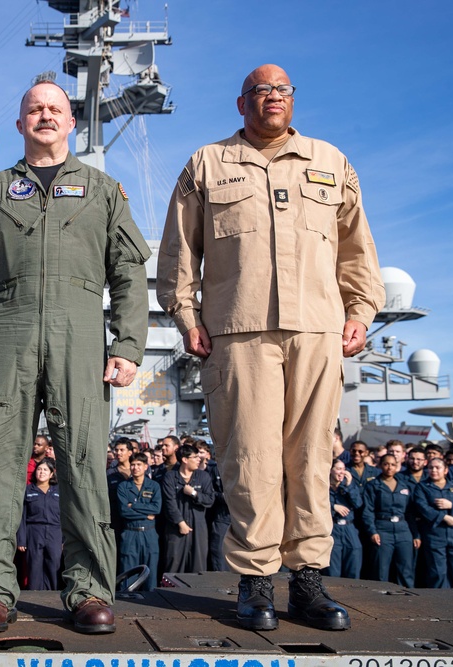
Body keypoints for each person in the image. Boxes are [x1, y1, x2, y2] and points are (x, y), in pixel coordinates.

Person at [156, 64, 384, 631]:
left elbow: (357, 250)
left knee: (312, 457)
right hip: (239, 332)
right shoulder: (206, 163)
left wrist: (360, 312)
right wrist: (186, 317)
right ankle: (255, 582)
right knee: (250, 458)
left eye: (282, 90)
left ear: (293, 99)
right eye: (261, 90)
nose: (273, 97)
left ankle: (307, 582)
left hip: (317, 329)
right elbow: (179, 251)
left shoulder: (332, 162)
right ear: (242, 103)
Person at [0, 80, 150, 634]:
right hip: (7, 332)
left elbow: (128, 273)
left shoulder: (103, 191)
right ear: (20, 123)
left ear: (71, 122)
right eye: (35, 108)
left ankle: (88, 591)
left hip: (79, 335)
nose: (45, 115)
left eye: (55, 108)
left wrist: (127, 345)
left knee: (83, 466)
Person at [413, 457, 453, 589]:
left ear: (445, 470)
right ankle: (440, 600)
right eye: (431, 468)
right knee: (438, 573)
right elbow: (422, 507)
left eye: (437, 468)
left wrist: (452, 506)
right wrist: (443, 517)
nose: (434, 470)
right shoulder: (422, 487)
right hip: (435, 535)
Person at [362, 454, 418, 587]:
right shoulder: (373, 485)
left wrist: (416, 534)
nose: (389, 467)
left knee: (406, 569)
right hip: (382, 529)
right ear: (380, 465)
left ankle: (406, 595)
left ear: (397, 466)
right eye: (386, 464)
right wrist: (372, 531)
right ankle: (379, 598)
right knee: (381, 570)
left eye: (393, 464)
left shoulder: (404, 485)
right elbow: (368, 511)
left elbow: (410, 512)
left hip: (403, 530)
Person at [160, 444, 214, 575]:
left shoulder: (203, 477)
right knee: (174, 565)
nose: (199, 459)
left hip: (198, 527)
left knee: (198, 566)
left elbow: (210, 500)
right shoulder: (170, 477)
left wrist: (194, 494)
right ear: (184, 459)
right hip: (176, 528)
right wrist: (180, 523)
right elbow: (169, 503)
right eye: (195, 457)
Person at [116, 453, 161, 591]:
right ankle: (127, 599)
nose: (135, 468)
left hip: (149, 533)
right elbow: (124, 511)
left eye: (139, 464)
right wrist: (146, 514)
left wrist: (133, 505)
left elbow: (156, 508)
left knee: (151, 573)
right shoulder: (123, 486)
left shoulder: (154, 486)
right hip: (130, 533)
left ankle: (151, 600)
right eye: (133, 465)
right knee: (128, 572)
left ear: (146, 467)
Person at [17, 458, 61, 590]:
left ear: (52, 473)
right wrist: (21, 540)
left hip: (55, 532)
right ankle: (34, 595)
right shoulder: (28, 490)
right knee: (34, 565)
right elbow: (22, 516)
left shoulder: (59, 491)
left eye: (45, 470)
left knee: (54, 564)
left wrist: (64, 539)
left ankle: (52, 595)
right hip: (34, 531)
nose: (42, 472)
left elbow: (65, 516)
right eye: (39, 469)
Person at [323, 460, 363, 580]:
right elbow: (316, 503)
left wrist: (349, 485)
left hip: (349, 528)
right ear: (330, 470)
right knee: (332, 569)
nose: (342, 472)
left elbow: (358, 503)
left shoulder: (348, 486)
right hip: (333, 527)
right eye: (338, 469)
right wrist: (333, 506)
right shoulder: (324, 486)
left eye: (344, 469)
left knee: (353, 562)